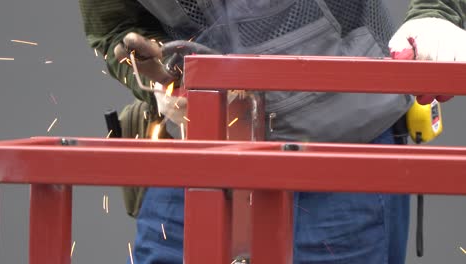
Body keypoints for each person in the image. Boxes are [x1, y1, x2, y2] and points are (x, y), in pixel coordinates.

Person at [78, 0, 466, 263]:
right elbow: (116, 28)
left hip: (344, 147)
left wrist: (437, 12)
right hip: (197, 151)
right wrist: (156, 79)